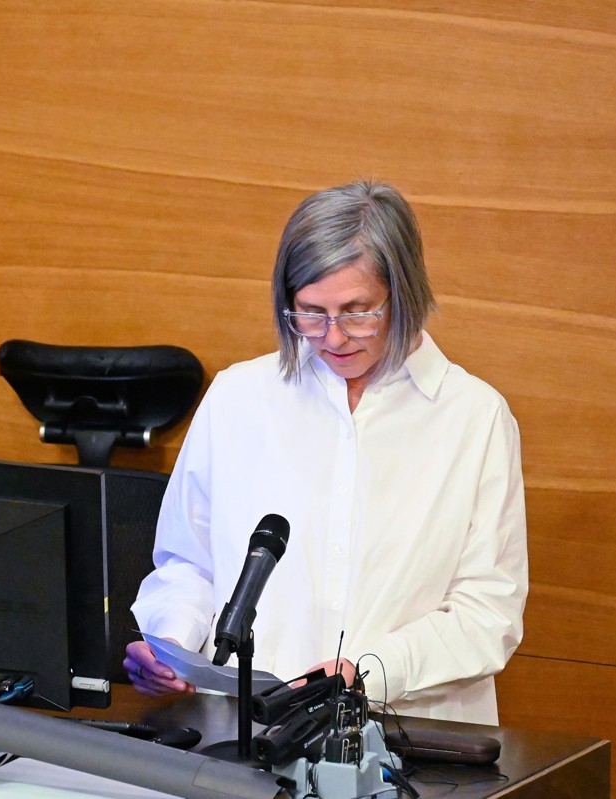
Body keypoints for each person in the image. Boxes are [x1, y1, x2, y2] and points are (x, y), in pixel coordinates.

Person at [126, 180, 527, 724]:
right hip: (246, 734)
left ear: (404, 293)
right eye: (310, 313)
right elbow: (188, 563)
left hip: (410, 736)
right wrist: (171, 642)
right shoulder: (239, 398)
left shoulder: (474, 417)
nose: (333, 338)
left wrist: (370, 672)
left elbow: (488, 612)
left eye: (357, 312)